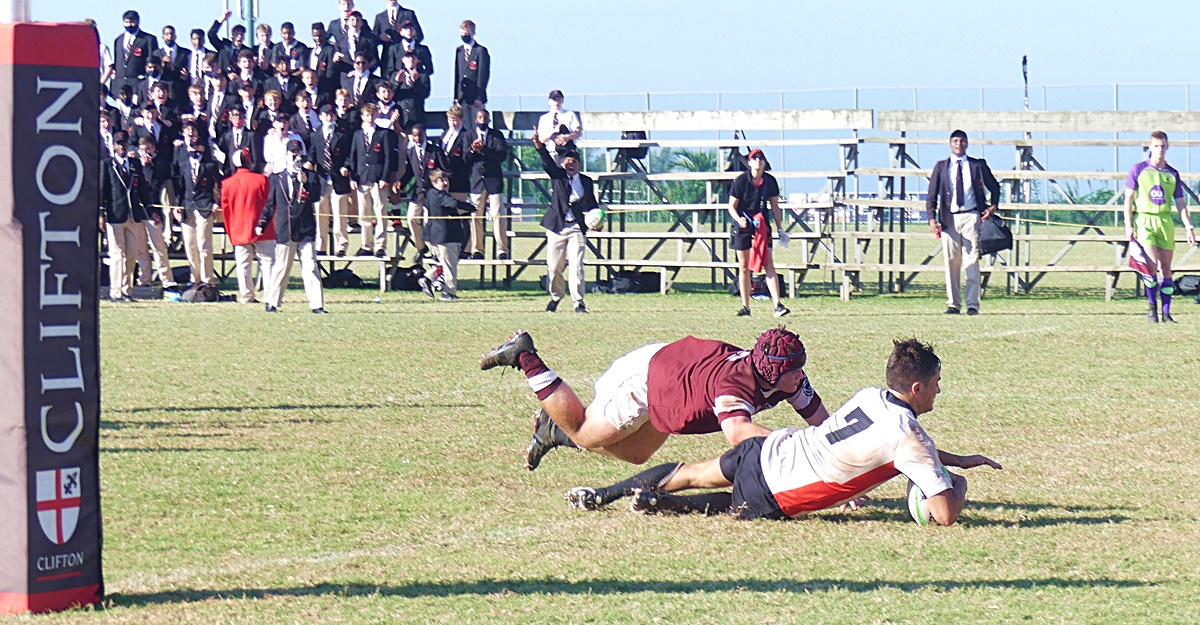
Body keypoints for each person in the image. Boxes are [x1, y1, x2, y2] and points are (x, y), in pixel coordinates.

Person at [564, 338, 1003, 525]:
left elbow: (907, 445)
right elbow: (943, 513)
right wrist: (956, 481)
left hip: (773, 447)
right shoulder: (910, 435)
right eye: (937, 384)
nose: (939, 392)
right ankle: (661, 504)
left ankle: (607, 492)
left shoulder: (872, 396)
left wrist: (956, 457)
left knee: (694, 470)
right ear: (917, 387)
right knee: (727, 503)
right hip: (783, 488)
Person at [480, 326, 829, 472]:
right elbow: (739, 434)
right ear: (770, 373)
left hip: (675, 381)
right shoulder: (734, 383)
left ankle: (554, 431)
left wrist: (837, 461)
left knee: (636, 454)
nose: (800, 377)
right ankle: (525, 356)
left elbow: (822, 424)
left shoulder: (784, 378)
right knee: (584, 431)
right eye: (794, 371)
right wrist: (803, 448)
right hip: (648, 378)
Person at [1123, 131, 1197, 323]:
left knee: (1166, 268)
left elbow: (1180, 202)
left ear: (1167, 147)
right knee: (1152, 266)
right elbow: (1129, 199)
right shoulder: (1138, 170)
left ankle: (1166, 312)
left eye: (1163, 146)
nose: (1160, 150)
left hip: (1165, 221)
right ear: (1150, 147)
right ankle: (1151, 307)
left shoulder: (1172, 173)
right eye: (1156, 146)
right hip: (1145, 220)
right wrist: (1128, 225)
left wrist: (1188, 227)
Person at [926, 129, 1001, 316]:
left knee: (972, 261)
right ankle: (953, 304)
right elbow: (931, 195)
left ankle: (972, 304)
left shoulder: (977, 165)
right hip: (949, 218)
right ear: (950, 144)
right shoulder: (942, 167)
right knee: (951, 262)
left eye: (962, 141)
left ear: (967, 144)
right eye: (955, 141)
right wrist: (931, 218)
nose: (959, 144)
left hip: (972, 216)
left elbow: (994, 186)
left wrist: (992, 207)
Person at [532, 128, 597, 313]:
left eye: (575, 161)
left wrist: (595, 220)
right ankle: (556, 296)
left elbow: (592, 203)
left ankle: (579, 303)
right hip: (557, 226)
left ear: (579, 164)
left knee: (577, 266)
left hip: (576, 226)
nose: (571, 164)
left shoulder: (585, 181)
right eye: (568, 160)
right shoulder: (558, 176)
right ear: (563, 162)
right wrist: (538, 145)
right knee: (554, 267)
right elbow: (546, 162)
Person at [259, 140, 328, 314]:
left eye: (298, 153)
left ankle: (317, 305)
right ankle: (272, 302)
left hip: (305, 229)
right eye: (293, 153)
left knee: (310, 267)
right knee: (281, 267)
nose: (296, 156)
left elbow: (314, 198)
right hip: (285, 229)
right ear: (286, 155)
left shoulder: (310, 176)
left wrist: (306, 182)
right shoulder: (277, 178)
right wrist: (261, 223)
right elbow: (270, 205)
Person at [729, 149, 788, 318]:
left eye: (761, 158)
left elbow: (775, 207)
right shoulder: (741, 181)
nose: (758, 161)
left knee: (769, 264)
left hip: (762, 226)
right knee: (744, 267)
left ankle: (778, 304)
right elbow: (731, 206)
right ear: (749, 162)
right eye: (754, 158)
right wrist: (739, 220)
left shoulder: (770, 181)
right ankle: (745, 306)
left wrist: (780, 229)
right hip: (742, 226)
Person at [342, 102, 398, 257]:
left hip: (377, 179)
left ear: (377, 115)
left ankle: (380, 245)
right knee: (364, 214)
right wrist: (353, 176)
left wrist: (385, 177)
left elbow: (388, 158)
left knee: (380, 212)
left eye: (373, 114)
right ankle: (367, 245)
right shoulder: (358, 134)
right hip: (362, 177)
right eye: (367, 115)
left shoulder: (383, 133)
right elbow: (353, 156)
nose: (370, 117)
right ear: (362, 116)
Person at [220, 148, 275, 304]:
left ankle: (246, 296)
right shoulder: (262, 180)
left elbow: (226, 211)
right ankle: (270, 295)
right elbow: (270, 205)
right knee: (268, 263)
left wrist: (231, 232)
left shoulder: (227, 184)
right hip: (262, 229)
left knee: (243, 265)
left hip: (239, 230)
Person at [100, 139, 150, 302]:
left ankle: (126, 290)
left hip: (132, 214)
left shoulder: (134, 163)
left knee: (131, 254)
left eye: (123, 145)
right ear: (114, 147)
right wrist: (101, 213)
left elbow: (142, 187)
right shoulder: (107, 164)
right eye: (118, 145)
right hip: (115, 215)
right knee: (117, 254)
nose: (121, 148)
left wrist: (150, 209)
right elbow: (102, 190)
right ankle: (115, 291)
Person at [419, 169, 475, 302]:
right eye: (441, 180)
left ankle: (427, 278)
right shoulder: (440, 195)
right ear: (433, 183)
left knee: (443, 263)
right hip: (446, 236)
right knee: (450, 265)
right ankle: (448, 293)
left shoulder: (430, 195)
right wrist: (471, 207)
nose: (445, 182)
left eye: (446, 180)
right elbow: (453, 203)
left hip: (436, 236)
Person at [174, 123, 220, 285]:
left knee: (204, 246)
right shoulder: (184, 165)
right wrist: (177, 206)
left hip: (205, 208)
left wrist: (216, 203)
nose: (195, 149)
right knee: (190, 245)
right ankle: (195, 278)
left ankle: (208, 280)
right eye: (192, 146)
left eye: (198, 146)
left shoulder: (210, 165)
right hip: (188, 209)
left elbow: (218, 186)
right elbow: (179, 187)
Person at [311, 104, 353, 256]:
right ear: (320, 117)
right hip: (322, 180)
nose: (329, 117)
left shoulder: (342, 134)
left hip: (338, 180)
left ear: (335, 117)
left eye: (331, 115)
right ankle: (320, 246)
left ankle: (341, 245)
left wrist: (346, 166)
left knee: (340, 215)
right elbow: (312, 154)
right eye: (325, 115)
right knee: (321, 214)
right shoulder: (315, 135)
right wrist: (309, 162)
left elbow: (349, 155)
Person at [467, 109, 509, 260]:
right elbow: (466, 159)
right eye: (480, 118)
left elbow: (501, 155)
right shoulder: (469, 135)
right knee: (475, 216)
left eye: (485, 118)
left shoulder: (496, 135)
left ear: (489, 120)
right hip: (477, 181)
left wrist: (484, 149)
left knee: (498, 215)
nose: (483, 120)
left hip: (494, 180)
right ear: (475, 120)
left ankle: (501, 249)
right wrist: (473, 150)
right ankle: (477, 249)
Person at [399, 123, 436, 260]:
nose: (418, 138)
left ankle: (434, 252)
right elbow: (410, 172)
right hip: (418, 191)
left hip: (432, 192)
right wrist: (401, 183)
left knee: (429, 221)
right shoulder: (411, 152)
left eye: (420, 135)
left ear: (425, 134)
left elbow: (445, 170)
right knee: (412, 218)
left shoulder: (434, 151)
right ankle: (421, 247)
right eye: (415, 136)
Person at [113, 10, 158, 97]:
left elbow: (153, 61)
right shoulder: (118, 40)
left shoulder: (148, 39)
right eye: (126, 22)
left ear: (138, 21)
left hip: (138, 84)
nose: (129, 25)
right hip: (120, 84)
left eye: (132, 22)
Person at [536, 90, 582, 166]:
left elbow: (578, 133)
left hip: (567, 153)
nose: (557, 102)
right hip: (551, 152)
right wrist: (553, 131)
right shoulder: (544, 118)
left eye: (559, 99)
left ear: (562, 100)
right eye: (554, 99)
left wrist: (567, 137)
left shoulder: (570, 114)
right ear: (549, 101)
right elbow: (541, 139)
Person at [453, 20, 489, 118]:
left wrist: (479, 97)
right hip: (462, 97)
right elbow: (457, 75)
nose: (464, 36)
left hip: (475, 97)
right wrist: (456, 96)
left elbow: (483, 75)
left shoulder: (480, 51)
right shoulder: (459, 51)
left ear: (473, 33)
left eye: (466, 33)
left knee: (476, 125)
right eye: (462, 34)